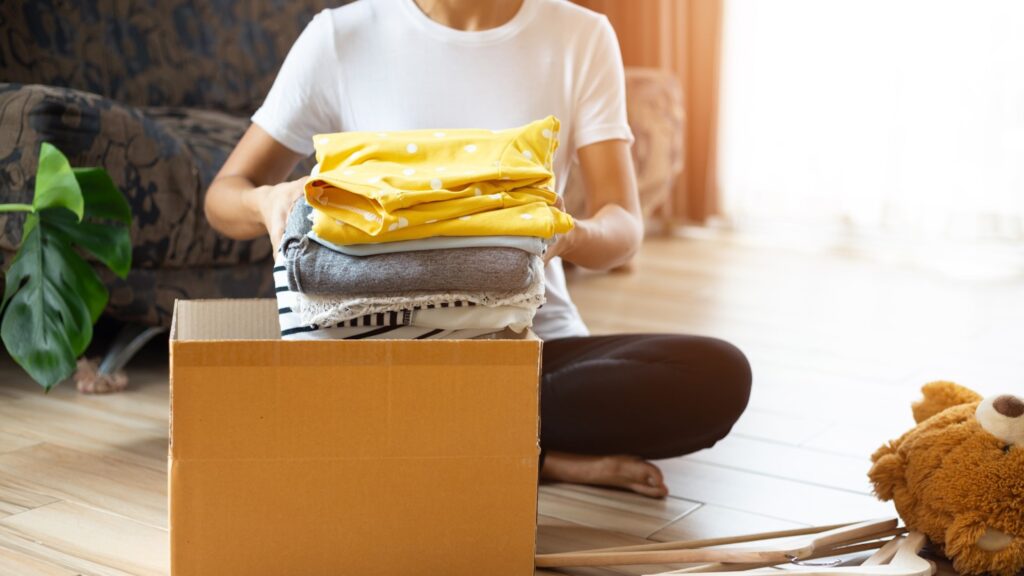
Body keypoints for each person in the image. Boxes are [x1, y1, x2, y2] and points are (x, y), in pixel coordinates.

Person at [205, 0, 751, 498]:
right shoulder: (339, 37)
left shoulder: (581, 35)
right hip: (390, 348)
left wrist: (568, 234)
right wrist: (269, 201)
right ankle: (530, 452)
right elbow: (223, 197)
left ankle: (435, 436)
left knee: (718, 375)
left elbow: (624, 223)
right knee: (360, 384)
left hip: (529, 346)